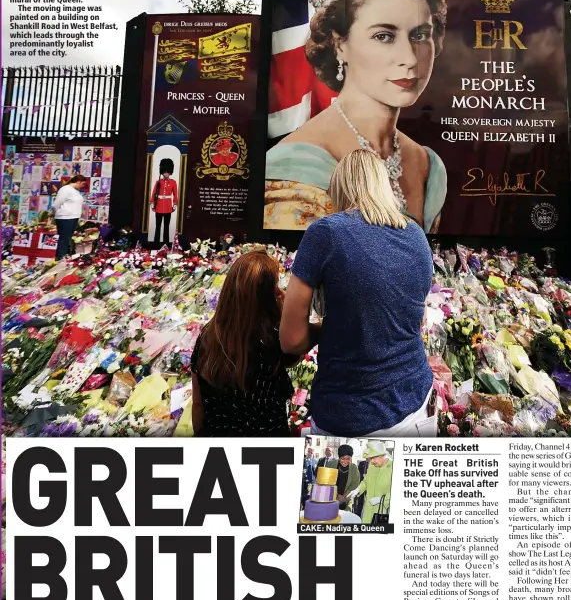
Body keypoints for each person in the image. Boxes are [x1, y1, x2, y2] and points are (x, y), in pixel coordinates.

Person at [264, 0, 447, 233]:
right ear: (339, 45)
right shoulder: (293, 167)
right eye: (384, 36)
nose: (409, 58)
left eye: (420, 35)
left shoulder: (428, 165)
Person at [280, 149, 433, 437]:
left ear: (339, 188)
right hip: (417, 402)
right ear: (383, 185)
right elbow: (416, 318)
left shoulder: (326, 233)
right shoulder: (417, 235)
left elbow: (291, 340)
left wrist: (331, 326)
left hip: (350, 416)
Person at [191, 250, 297, 437]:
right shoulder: (273, 342)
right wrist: (287, 309)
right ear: (269, 296)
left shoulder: (208, 337)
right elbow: (295, 351)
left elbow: (198, 404)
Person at [347, 441, 393, 524]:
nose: (372, 461)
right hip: (368, 509)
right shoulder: (372, 466)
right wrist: (358, 489)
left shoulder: (393, 467)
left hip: (383, 511)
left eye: (374, 458)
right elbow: (366, 481)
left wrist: (382, 499)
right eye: (370, 458)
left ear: (382, 456)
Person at [52, 174, 87, 260]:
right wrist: (53, 213)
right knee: (63, 238)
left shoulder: (75, 191)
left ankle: (65, 255)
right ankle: (60, 257)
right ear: (78, 182)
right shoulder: (65, 189)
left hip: (73, 217)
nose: (83, 186)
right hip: (65, 217)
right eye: (82, 184)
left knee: (68, 238)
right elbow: (56, 203)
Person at [150, 157, 178, 247]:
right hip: (158, 206)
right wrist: (152, 203)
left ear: (170, 172)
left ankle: (165, 244)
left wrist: (175, 204)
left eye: (167, 172)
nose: (166, 174)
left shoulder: (173, 182)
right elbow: (154, 193)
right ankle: (156, 243)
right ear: (162, 172)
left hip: (168, 206)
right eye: (165, 172)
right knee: (157, 226)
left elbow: (175, 194)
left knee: (166, 226)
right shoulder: (158, 182)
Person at [326, 444, 360, 510]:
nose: (345, 461)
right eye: (342, 459)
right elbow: (326, 481)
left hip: (346, 500)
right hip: (330, 497)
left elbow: (355, 484)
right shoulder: (331, 464)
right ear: (339, 457)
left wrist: (344, 496)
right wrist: (337, 495)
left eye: (348, 459)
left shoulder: (354, 468)